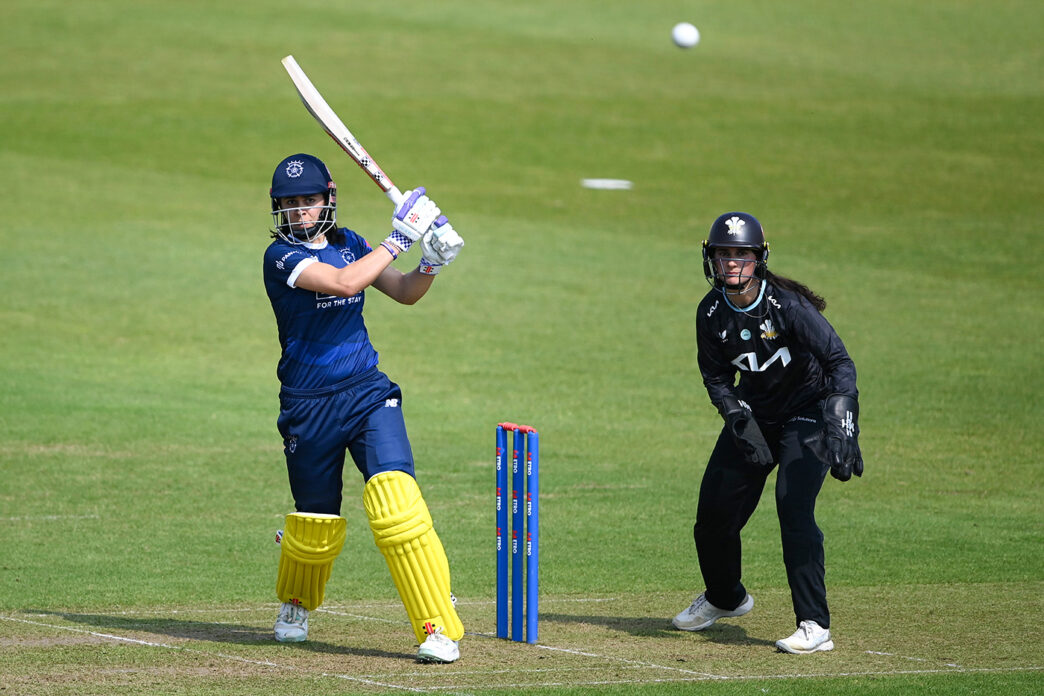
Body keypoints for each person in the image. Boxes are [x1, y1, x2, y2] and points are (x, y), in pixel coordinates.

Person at [261, 153, 466, 663]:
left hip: (366, 393)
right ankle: (296, 603)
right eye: (290, 202)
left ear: (328, 198)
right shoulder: (279, 257)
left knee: (398, 502)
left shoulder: (350, 243)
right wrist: (399, 238)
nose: (300, 210)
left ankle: (436, 625)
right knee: (315, 522)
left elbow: (404, 292)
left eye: (309, 200)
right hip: (308, 407)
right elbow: (343, 284)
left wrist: (431, 262)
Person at [672, 212, 863, 654]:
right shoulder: (710, 312)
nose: (732, 263)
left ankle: (814, 625)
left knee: (793, 507)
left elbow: (839, 361)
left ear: (759, 259)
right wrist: (737, 418)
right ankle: (725, 597)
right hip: (757, 415)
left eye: (741, 255)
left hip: (808, 413)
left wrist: (842, 418)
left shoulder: (788, 306)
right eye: (724, 255)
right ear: (710, 259)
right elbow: (717, 377)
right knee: (713, 516)